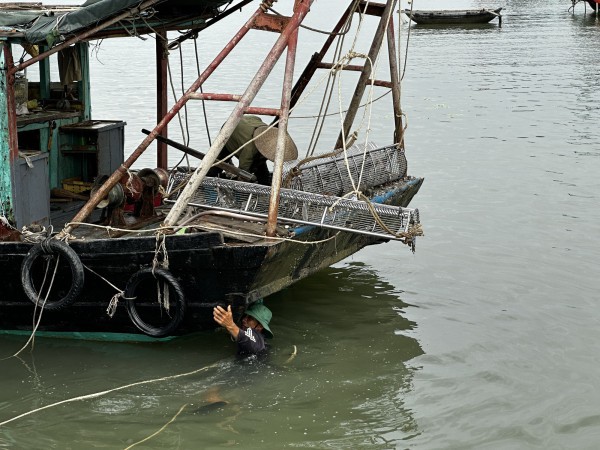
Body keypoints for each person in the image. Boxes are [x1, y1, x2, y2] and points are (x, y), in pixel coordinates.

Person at [209, 115, 298, 185]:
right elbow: (243, 170)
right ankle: (207, 181)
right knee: (219, 164)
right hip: (230, 131)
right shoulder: (250, 149)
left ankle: (264, 187)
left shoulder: (270, 136)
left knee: (263, 174)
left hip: (251, 122)